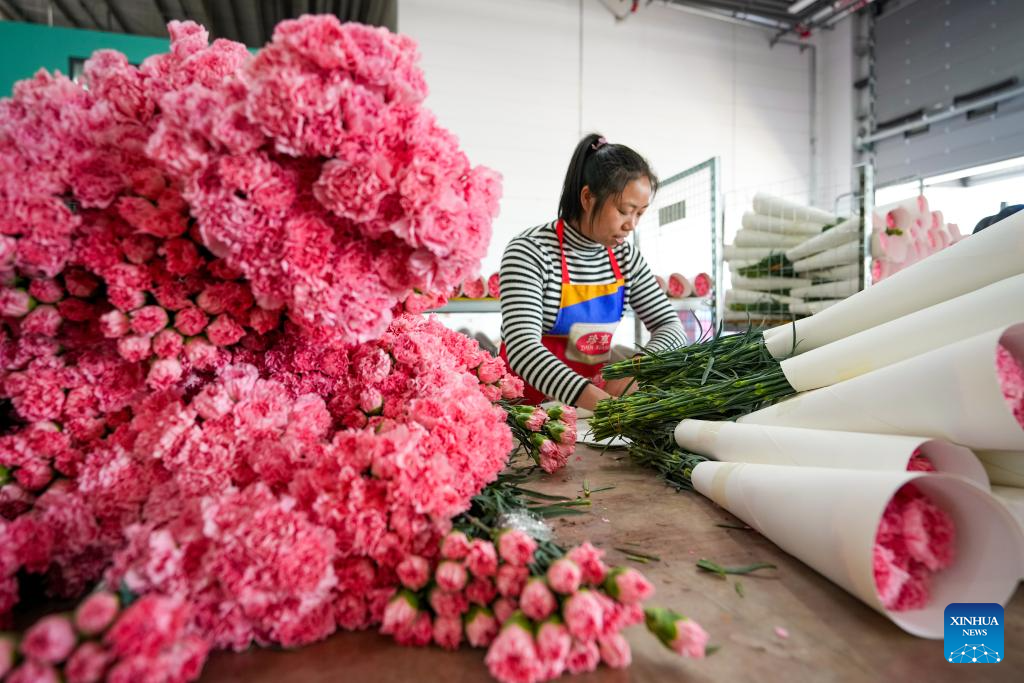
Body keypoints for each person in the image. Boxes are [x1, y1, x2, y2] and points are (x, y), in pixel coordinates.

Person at [498, 133, 687, 411]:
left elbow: (671, 327)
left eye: (640, 213)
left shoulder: (625, 257)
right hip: (528, 416)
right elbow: (522, 349)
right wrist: (600, 403)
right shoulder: (530, 252)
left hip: (590, 416)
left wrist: (637, 368)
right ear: (587, 197)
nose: (631, 224)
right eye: (625, 210)